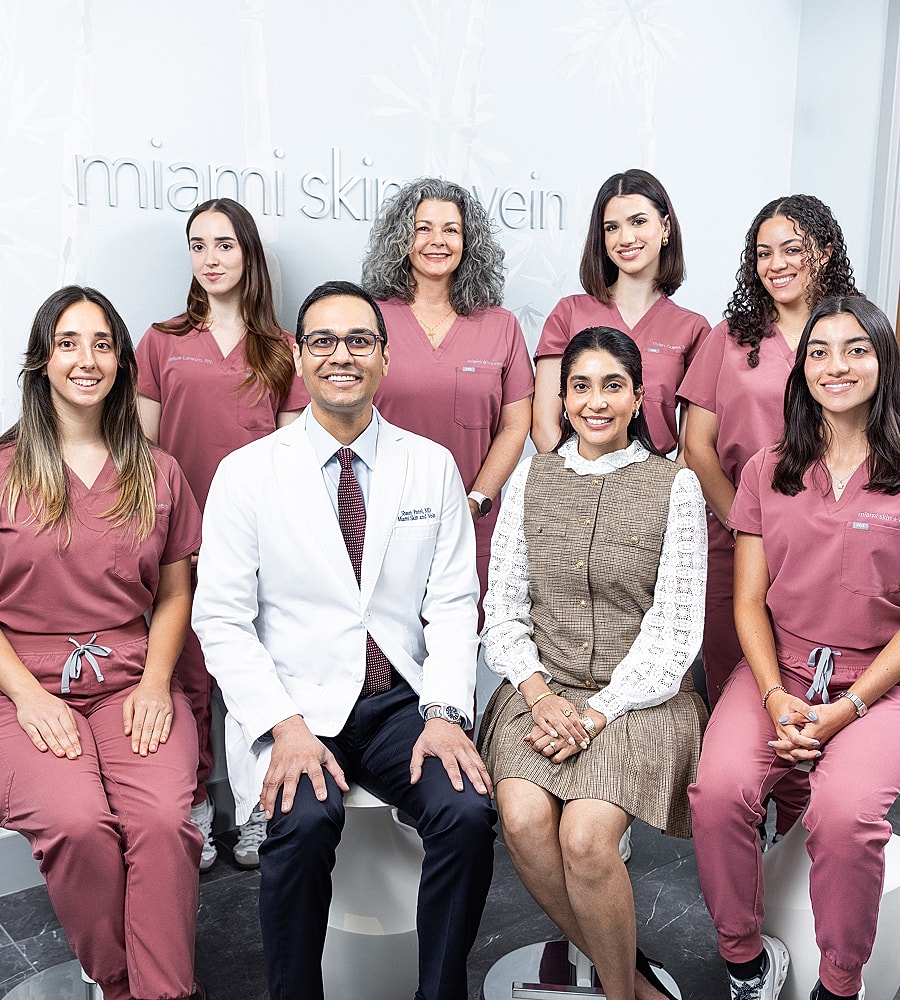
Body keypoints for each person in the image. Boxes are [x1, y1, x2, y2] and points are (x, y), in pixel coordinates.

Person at [192, 280, 497, 1000]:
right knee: (300, 824)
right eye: (323, 341)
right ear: (299, 357)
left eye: (359, 341)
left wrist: (448, 713)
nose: (342, 356)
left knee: (467, 813)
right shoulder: (246, 475)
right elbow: (223, 621)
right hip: (293, 703)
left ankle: (439, 993)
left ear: (383, 359)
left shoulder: (431, 466)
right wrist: (284, 727)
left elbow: (454, 602)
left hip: (397, 703)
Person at [478, 327, 707, 1000]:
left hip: (638, 698)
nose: (596, 402)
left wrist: (596, 713)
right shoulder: (530, 476)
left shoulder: (676, 487)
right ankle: (634, 987)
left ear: (638, 398)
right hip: (539, 688)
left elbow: (673, 633)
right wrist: (540, 694)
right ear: (562, 395)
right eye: (581, 386)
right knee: (519, 816)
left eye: (613, 386)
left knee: (584, 837)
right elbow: (505, 608)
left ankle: (616, 990)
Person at [689, 296, 900, 1000]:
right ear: (801, 367)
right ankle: (746, 958)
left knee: (845, 816)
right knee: (718, 792)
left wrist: (847, 710)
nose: (836, 366)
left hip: (879, 678)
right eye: (819, 351)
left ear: (882, 360)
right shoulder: (769, 469)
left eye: (856, 349)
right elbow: (749, 600)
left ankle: (841, 982)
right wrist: (777, 696)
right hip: (777, 668)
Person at [0, 287, 204, 1000]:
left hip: (130, 677)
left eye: (101, 343)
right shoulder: (2, 470)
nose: (86, 359)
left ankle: (167, 994)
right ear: (42, 360)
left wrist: (154, 684)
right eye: (67, 342)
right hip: (19, 688)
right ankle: (121, 983)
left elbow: (176, 593)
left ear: (120, 360)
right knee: (76, 823)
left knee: (162, 820)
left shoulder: (159, 471)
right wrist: (28, 697)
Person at [136, 196, 308, 871]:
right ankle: (199, 816)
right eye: (198, 245)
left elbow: (291, 463)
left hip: (254, 544)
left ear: (249, 254)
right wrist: (162, 538)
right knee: (186, 682)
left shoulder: (283, 350)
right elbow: (144, 455)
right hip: (178, 543)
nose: (210, 258)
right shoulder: (161, 341)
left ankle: (262, 810)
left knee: (255, 679)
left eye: (225, 244)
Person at [680, 194, 858, 709]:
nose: (775, 264)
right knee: (735, 690)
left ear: (824, 251)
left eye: (792, 249)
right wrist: (745, 526)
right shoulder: (729, 338)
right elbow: (697, 446)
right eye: (762, 253)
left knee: (821, 690)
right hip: (735, 540)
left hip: (826, 543)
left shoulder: (855, 335)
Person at [361, 177, 533, 613]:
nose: (437, 241)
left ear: (467, 241)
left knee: (455, 659)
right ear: (401, 238)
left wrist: (476, 500)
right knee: (377, 656)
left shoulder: (501, 325)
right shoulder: (367, 318)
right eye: (423, 228)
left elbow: (516, 425)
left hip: (467, 525)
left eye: (451, 230)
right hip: (376, 519)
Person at [531, 169, 709, 456]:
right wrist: (576, 482)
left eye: (638, 222)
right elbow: (544, 425)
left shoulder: (692, 329)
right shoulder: (568, 314)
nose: (625, 238)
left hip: (653, 490)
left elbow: (692, 447)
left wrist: (661, 493)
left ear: (665, 228)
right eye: (611, 227)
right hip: (575, 485)